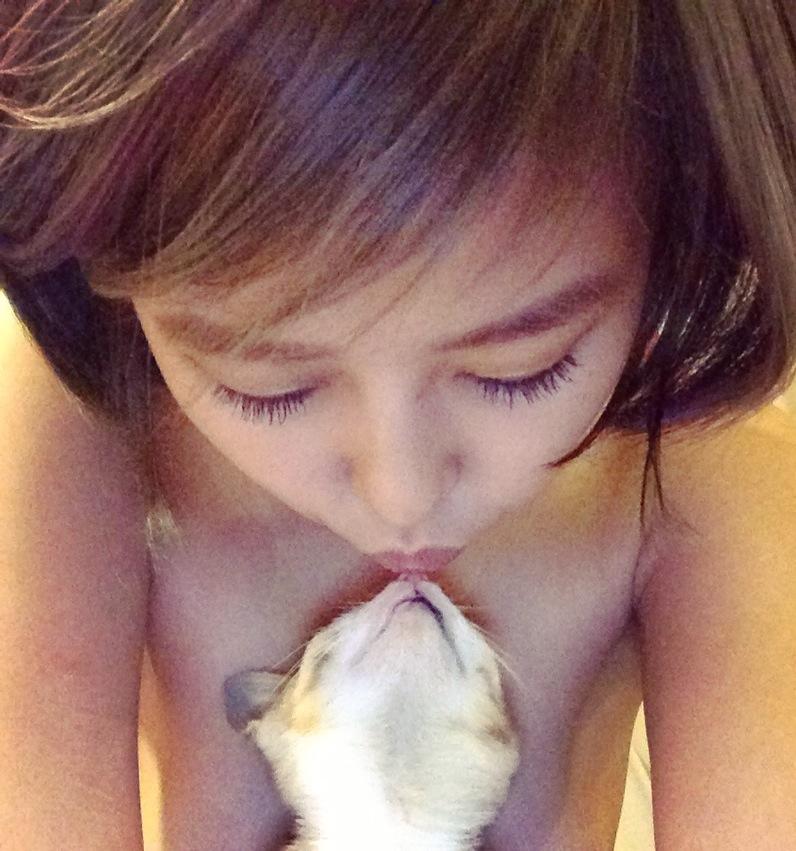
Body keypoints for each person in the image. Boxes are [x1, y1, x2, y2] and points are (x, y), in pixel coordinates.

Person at [1, 1, 794, 848]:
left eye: (520, 371)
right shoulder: (83, 427)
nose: (400, 495)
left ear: (675, 239)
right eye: (267, 388)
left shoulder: (699, 476)